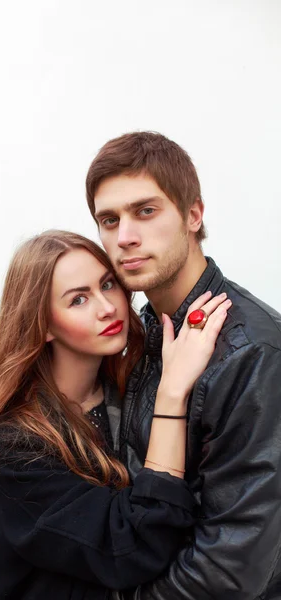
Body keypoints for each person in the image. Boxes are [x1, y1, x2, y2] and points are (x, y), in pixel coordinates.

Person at [0, 230, 230, 600]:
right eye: (78, 299)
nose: (107, 307)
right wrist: (172, 395)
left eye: (108, 284)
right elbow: (130, 547)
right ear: (44, 324)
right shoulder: (15, 444)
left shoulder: (130, 385)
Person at [85, 131, 281, 600]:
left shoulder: (251, 354)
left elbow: (230, 567)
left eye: (145, 211)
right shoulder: (141, 328)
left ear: (194, 215)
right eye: (108, 220)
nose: (125, 237)